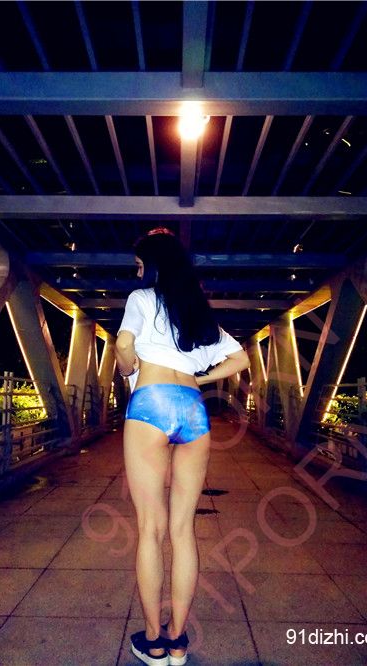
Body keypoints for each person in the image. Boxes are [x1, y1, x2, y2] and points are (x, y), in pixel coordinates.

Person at [115, 228, 250, 666]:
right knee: (182, 530)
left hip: (151, 404)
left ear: (152, 267)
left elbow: (123, 344)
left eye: (140, 266)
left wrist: (127, 368)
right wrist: (200, 377)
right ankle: (177, 641)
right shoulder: (197, 311)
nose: (138, 273)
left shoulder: (141, 299)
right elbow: (241, 359)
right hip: (192, 409)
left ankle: (154, 641)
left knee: (150, 529)